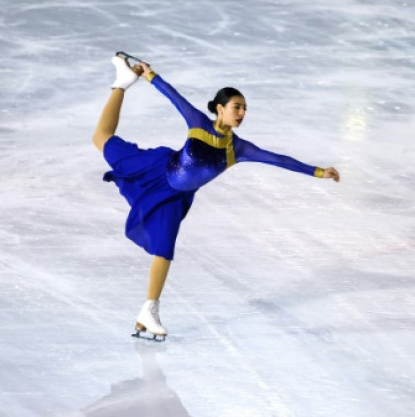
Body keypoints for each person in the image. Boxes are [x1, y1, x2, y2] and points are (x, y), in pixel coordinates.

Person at [92, 53, 340, 340]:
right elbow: (174, 96)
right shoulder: (198, 123)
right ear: (220, 109)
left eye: (245, 109)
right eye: (237, 107)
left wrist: (318, 172)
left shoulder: (239, 148)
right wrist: (148, 75)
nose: (242, 113)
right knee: (101, 138)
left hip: (176, 197)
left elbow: (277, 159)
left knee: (164, 249)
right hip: (156, 169)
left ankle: (149, 309)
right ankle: (121, 83)